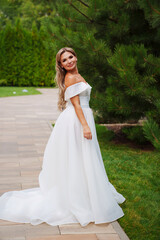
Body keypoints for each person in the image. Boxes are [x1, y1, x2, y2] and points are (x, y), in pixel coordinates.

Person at [0, 47, 125, 227]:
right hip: (76, 120)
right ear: (61, 65)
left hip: (80, 117)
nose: (69, 61)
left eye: (71, 57)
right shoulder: (71, 77)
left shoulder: (77, 75)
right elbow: (77, 105)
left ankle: (85, 191)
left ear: (76, 57)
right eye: (64, 60)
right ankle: (78, 197)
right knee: (78, 156)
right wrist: (85, 126)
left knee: (83, 157)